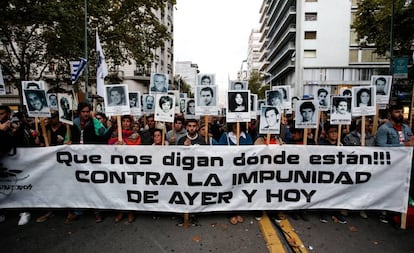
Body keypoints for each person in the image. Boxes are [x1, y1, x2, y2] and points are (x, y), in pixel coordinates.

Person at [65, 102, 110, 224]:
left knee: (94, 184)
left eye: (87, 111)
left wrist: (94, 118)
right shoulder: (73, 124)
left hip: (91, 160)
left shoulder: (93, 122)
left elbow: (102, 132)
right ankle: (78, 210)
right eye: (83, 111)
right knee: (79, 184)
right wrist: (67, 142)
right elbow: (67, 139)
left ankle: (97, 211)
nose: (85, 114)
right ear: (79, 112)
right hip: (77, 160)